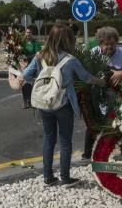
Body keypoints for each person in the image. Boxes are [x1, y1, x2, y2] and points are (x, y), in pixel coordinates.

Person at [23, 24, 107, 187]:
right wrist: (101, 82)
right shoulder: (70, 60)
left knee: (49, 139)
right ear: (68, 40)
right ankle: (65, 178)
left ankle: (48, 177)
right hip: (63, 104)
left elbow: (26, 75)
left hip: (44, 104)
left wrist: (43, 83)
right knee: (65, 141)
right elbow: (86, 78)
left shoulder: (40, 56)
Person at [83, 26, 122, 159]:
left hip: (117, 97)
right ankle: (88, 154)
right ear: (100, 43)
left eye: (112, 44)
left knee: (119, 123)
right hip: (95, 95)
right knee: (93, 123)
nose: (109, 47)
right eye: (106, 44)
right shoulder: (93, 53)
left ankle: (121, 152)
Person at [20, 27, 41, 109]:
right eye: (27, 32)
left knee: (32, 83)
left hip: (33, 65)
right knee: (24, 83)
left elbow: (37, 54)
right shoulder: (22, 43)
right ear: (25, 34)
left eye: (30, 32)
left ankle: (31, 101)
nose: (28, 34)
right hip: (24, 65)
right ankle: (25, 101)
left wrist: (29, 57)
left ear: (32, 34)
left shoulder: (35, 43)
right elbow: (19, 52)